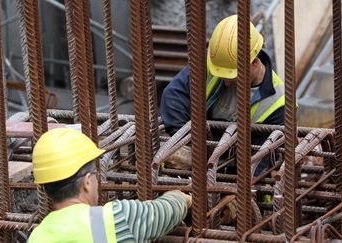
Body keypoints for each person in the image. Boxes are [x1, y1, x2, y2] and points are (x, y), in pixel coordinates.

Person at [160, 15, 285, 175]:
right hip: (201, 153)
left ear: (254, 63)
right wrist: (186, 145)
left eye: (232, 76)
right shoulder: (216, 64)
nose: (225, 81)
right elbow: (173, 96)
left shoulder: (279, 102)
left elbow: (259, 163)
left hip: (237, 173)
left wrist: (226, 185)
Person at [28, 128, 192, 243]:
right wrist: (181, 197)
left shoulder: (37, 236)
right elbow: (164, 211)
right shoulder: (116, 218)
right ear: (86, 182)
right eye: (95, 176)